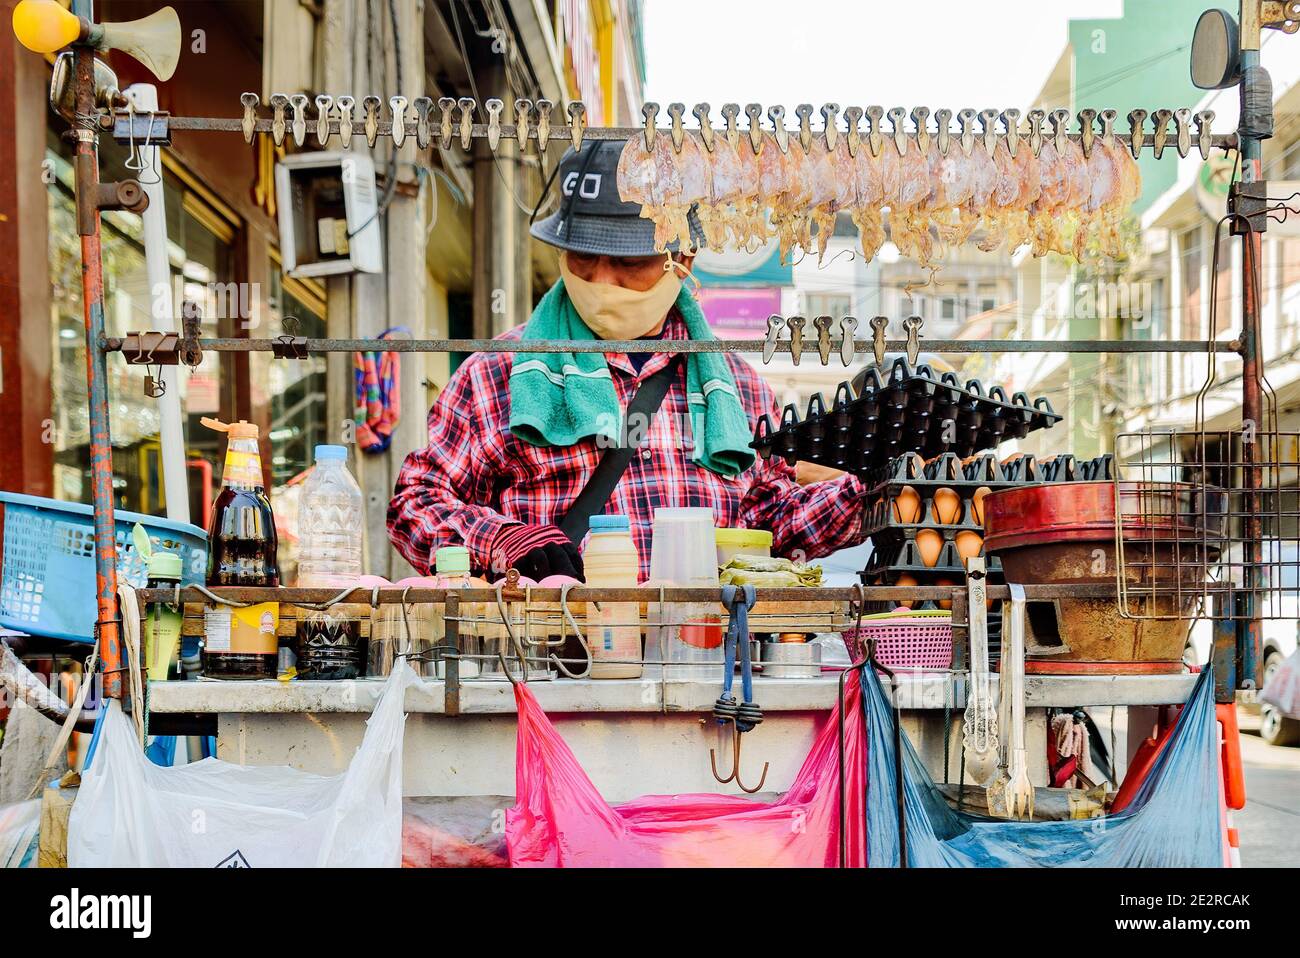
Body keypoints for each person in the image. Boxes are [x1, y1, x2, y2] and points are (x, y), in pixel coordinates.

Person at [388, 141, 869, 582]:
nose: (602, 280)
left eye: (629, 262)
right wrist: (498, 540)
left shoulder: (737, 388)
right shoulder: (496, 373)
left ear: (684, 258)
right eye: (583, 257)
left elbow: (770, 520)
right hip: (550, 661)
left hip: (697, 659)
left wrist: (871, 495)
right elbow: (415, 501)